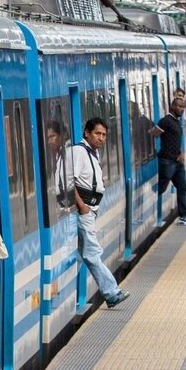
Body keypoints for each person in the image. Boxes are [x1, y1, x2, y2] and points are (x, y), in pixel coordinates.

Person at [70, 117, 129, 308]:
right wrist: (82, 207)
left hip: (90, 210)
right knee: (92, 253)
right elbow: (69, 182)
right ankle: (112, 293)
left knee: (85, 254)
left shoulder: (92, 153)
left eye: (104, 135)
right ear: (86, 133)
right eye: (97, 134)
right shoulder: (79, 152)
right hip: (84, 211)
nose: (101, 138)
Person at [150, 97, 186, 226]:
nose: (182, 109)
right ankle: (149, 210)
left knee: (182, 187)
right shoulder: (166, 121)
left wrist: (180, 152)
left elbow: (174, 140)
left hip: (177, 162)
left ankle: (183, 216)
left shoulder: (177, 122)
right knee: (161, 188)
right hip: (167, 162)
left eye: (183, 107)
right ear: (172, 106)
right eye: (180, 106)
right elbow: (153, 134)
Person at [46, 120, 74, 210]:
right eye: (48, 138)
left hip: (73, 203)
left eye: (53, 136)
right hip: (65, 204)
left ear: (62, 136)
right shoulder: (59, 155)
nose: (50, 141)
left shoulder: (70, 152)